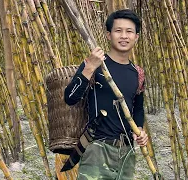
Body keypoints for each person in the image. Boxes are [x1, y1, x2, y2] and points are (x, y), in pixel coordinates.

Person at [64, 9, 148, 180]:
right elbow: (70, 98)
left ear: (136, 36)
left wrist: (139, 130)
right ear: (109, 35)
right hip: (97, 149)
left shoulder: (137, 73)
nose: (124, 36)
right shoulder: (96, 65)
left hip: (127, 151)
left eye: (129, 31)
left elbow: (138, 109)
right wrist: (88, 69)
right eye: (118, 31)